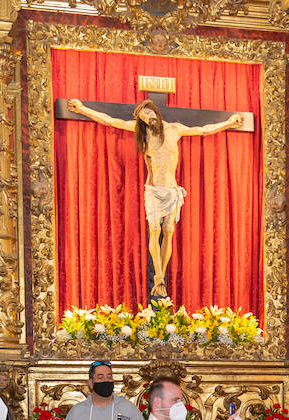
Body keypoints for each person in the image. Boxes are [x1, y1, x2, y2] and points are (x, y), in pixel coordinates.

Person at [66, 98, 244, 297]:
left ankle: (160, 276)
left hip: (171, 190)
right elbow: (109, 120)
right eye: (142, 116)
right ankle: (159, 278)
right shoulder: (143, 133)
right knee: (155, 229)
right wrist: (82, 109)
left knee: (168, 230)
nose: (146, 117)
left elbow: (204, 129)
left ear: (155, 112)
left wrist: (229, 123)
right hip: (152, 191)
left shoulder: (175, 129)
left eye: (148, 113)